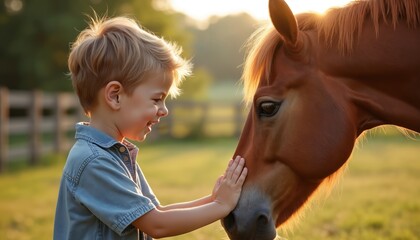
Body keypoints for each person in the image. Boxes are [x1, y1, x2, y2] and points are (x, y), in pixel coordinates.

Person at [53, 15, 248, 240]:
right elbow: (156, 225)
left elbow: (158, 212)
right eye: (157, 99)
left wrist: (213, 199)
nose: (164, 110)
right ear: (115, 96)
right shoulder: (93, 161)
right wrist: (221, 205)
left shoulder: (114, 154)